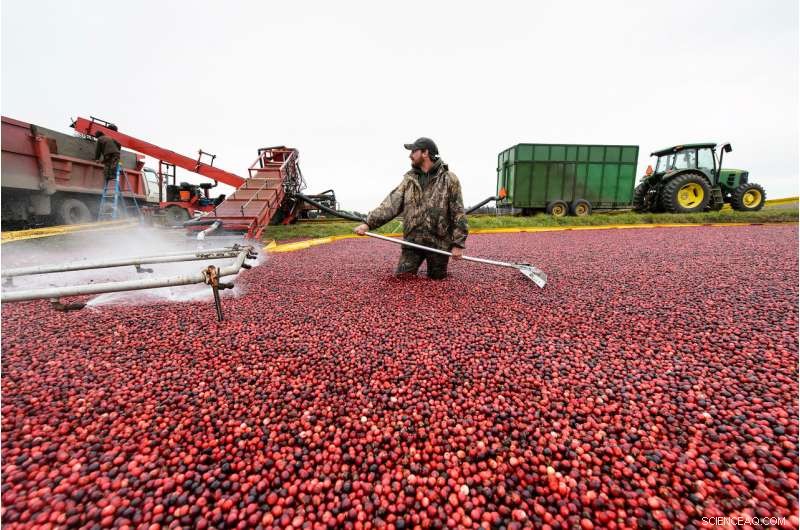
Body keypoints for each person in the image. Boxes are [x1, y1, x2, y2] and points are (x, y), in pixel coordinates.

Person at [354, 137, 468, 279]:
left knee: (437, 282)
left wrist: (458, 244)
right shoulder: (409, 180)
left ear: (425, 153)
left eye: (414, 151)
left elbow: (458, 213)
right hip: (412, 242)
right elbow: (390, 204)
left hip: (439, 244)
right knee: (402, 279)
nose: (410, 155)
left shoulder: (449, 179)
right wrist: (367, 224)